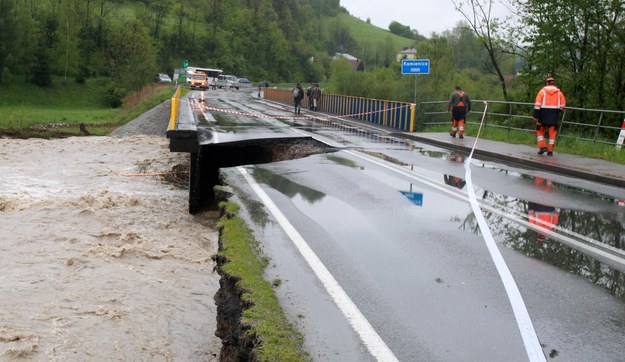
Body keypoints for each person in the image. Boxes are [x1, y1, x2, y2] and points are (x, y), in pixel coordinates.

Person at [533, 77, 566, 156]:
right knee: (552, 134)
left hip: (542, 115)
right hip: (554, 115)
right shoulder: (559, 93)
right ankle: (550, 151)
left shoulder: (542, 92)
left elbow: (537, 105)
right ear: (554, 83)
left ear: (547, 83)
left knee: (539, 130)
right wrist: (558, 111)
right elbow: (563, 105)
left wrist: (535, 115)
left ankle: (542, 147)